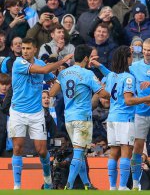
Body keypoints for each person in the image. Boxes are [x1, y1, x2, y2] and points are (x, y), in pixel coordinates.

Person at [9, 37, 73, 190]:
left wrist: (63, 78)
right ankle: (17, 186)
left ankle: (47, 180)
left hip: (36, 113)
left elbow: (53, 80)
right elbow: (45, 70)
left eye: (28, 48)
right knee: (18, 148)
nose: (24, 51)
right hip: (18, 111)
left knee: (42, 150)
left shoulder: (40, 63)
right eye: (23, 48)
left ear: (35, 49)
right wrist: (62, 60)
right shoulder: (19, 63)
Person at [50, 44, 110, 190]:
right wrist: (106, 90)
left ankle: (87, 184)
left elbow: (52, 92)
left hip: (69, 118)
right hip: (82, 117)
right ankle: (68, 186)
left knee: (81, 152)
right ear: (85, 58)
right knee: (78, 152)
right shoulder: (88, 74)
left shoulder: (64, 73)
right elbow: (103, 94)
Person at [103, 46, 150, 190]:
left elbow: (109, 95)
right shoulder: (128, 77)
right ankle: (122, 186)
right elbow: (128, 100)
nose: (132, 58)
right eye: (130, 56)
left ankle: (112, 187)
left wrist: (142, 99)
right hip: (125, 118)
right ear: (126, 58)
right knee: (126, 152)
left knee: (113, 152)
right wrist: (148, 97)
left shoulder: (111, 76)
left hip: (112, 117)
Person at [127, 38, 150, 190]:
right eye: (144, 49)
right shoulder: (134, 67)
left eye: (149, 50)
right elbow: (130, 86)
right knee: (137, 148)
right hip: (140, 112)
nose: (146, 53)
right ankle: (135, 183)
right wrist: (143, 100)